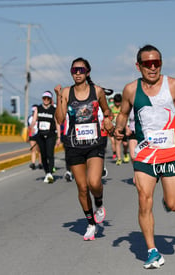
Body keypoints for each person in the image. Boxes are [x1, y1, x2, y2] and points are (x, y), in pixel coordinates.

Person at [114, 45, 175, 269]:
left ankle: (167, 199)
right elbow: (122, 114)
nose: (152, 68)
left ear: (161, 63)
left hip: (171, 152)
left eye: (156, 63)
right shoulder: (131, 90)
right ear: (138, 66)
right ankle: (152, 251)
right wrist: (118, 128)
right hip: (145, 154)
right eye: (147, 64)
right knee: (144, 201)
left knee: (174, 204)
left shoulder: (174, 85)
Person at [54, 57, 114, 241]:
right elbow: (60, 119)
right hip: (74, 145)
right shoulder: (66, 92)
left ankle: (99, 203)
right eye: (74, 70)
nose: (77, 73)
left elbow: (107, 111)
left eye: (81, 70)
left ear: (88, 72)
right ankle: (91, 224)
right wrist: (58, 97)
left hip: (94, 143)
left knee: (94, 183)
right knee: (82, 187)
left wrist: (107, 120)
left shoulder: (97, 91)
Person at [30, 91, 61, 183]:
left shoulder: (54, 110)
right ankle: (47, 172)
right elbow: (34, 120)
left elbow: (57, 123)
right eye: (44, 98)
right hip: (40, 135)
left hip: (51, 134)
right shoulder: (38, 109)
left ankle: (50, 173)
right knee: (43, 155)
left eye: (48, 98)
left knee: (50, 154)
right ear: (42, 99)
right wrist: (31, 128)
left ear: (51, 100)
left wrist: (59, 137)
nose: (46, 100)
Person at [110, 93, 129, 165]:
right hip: (115, 127)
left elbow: (126, 118)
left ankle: (125, 153)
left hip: (123, 127)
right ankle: (119, 159)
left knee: (125, 143)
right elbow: (110, 117)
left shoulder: (123, 108)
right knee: (117, 143)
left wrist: (127, 128)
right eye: (116, 102)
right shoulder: (112, 108)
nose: (117, 103)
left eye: (119, 102)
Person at [27, 104, 42, 170]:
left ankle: (40, 163)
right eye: (33, 111)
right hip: (32, 135)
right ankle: (33, 163)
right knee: (33, 149)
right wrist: (28, 136)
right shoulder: (30, 118)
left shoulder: (40, 118)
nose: (34, 113)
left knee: (39, 150)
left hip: (39, 134)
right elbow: (28, 127)